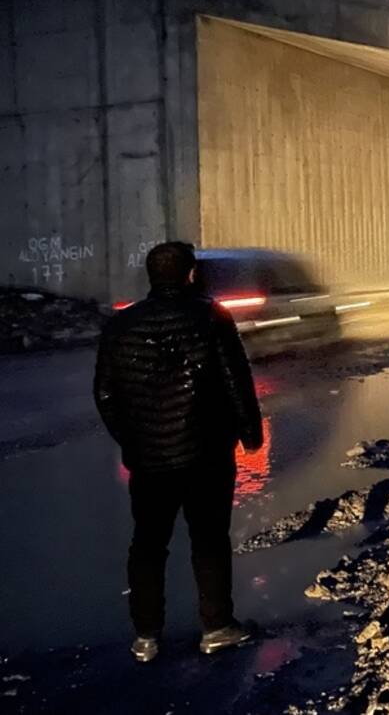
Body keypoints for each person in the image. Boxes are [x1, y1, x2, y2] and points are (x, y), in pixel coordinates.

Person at [93, 241, 263, 663]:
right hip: (206, 454)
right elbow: (235, 379)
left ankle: (146, 637)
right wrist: (249, 433)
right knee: (208, 540)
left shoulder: (121, 325)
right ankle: (217, 626)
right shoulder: (210, 316)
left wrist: (133, 440)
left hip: (149, 460)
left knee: (148, 544)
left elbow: (105, 393)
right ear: (190, 274)